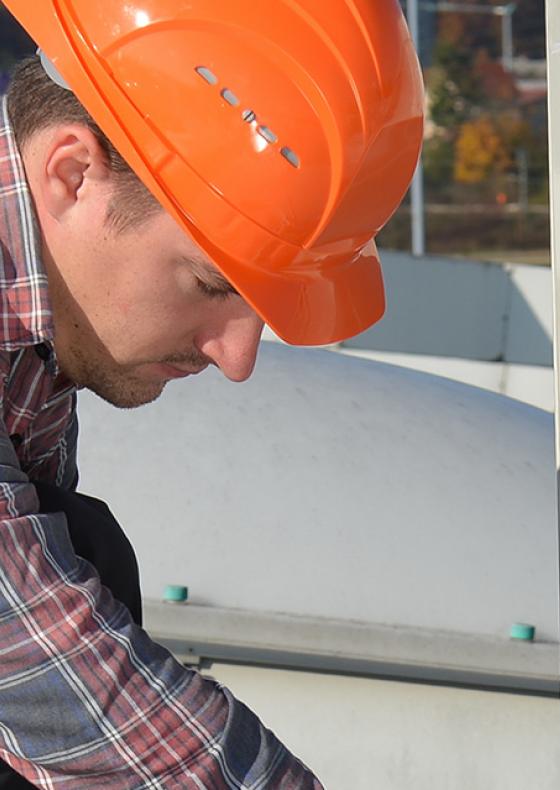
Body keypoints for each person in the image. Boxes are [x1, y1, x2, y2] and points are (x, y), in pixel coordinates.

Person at [0, 2, 424, 788]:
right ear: (73, 173)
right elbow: (43, 666)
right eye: (210, 285)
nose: (236, 360)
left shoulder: (41, 331)